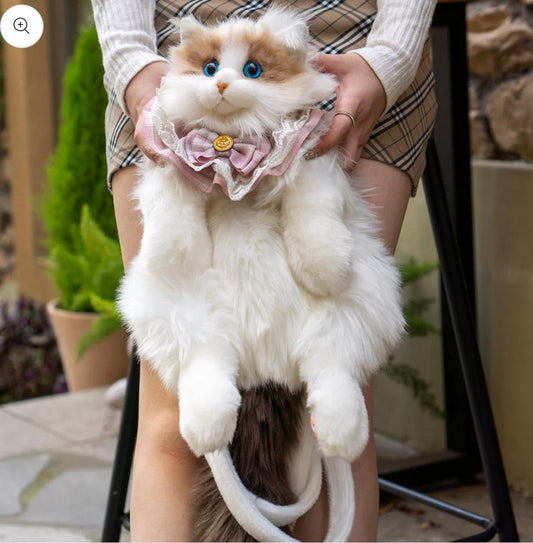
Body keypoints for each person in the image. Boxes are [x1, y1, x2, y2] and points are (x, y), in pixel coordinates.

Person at [91, 0, 438, 540]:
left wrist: (390, 59)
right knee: (176, 409)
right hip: (174, 51)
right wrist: (129, 63)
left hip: (353, 44)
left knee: (331, 413)